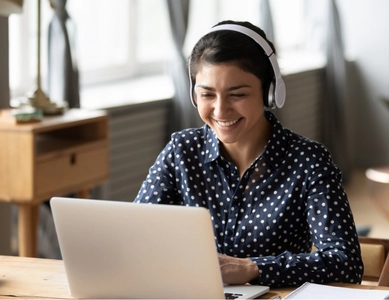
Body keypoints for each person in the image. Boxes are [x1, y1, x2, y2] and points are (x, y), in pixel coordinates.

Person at [134, 20, 363, 287]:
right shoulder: (181, 151)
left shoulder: (308, 161)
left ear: (270, 93)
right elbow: (137, 236)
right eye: (207, 94)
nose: (220, 111)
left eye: (237, 94)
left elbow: (346, 263)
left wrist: (252, 268)